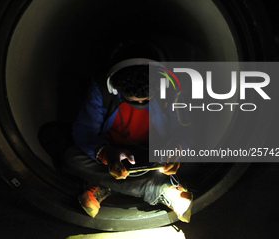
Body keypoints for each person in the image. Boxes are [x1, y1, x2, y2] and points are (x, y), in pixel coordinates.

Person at [61, 41, 193, 223]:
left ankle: (105, 184)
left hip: (155, 155)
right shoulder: (101, 89)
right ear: (115, 88)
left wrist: (176, 148)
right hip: (113, 155)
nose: (140, 105)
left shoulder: (170, 89)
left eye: (146, 100)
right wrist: (107, 154)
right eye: (132, 100)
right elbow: (84, 130)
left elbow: (186, 131)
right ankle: (159, 189)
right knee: (70, 157)